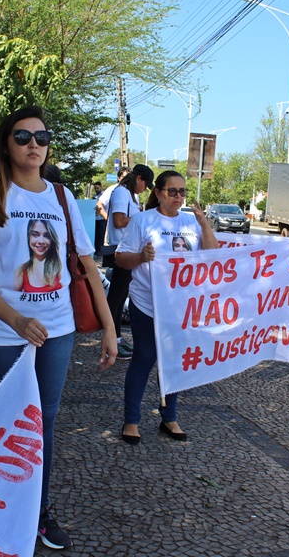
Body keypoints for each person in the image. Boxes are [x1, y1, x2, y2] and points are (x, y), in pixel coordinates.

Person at [0, 105, 116, 550]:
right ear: (7, 142)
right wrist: (17, 320)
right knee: (3, 425)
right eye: (23, 137)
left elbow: (86, 264)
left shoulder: (61, 198)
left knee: (41, 424)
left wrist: (107, 328)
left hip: (58, 331)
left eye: (41, 138)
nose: (33, 146)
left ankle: (37, 511)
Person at [117, 170, 218, 444]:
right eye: (172, 191)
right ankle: (132, 420)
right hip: (147, 303)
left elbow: (212, 256)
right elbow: (120, 259)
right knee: (144, 358)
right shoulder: (143, 220)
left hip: (180, 307)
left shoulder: (191, 222)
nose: (178, 196)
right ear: (159, 193)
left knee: (173, 362)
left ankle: (169, 416)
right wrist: (141, 256)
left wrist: (204, 224)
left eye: (182, 192)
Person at [106, 164, 154, 358]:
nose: (145, 188)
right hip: (120, 250)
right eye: (145, 184)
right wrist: (140, 218)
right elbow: (118, 221)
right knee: (115, 298)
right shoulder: (121, 193)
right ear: (138, 178)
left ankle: (116, 339)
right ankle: (112, 339)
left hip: (128, 249)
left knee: (120, 296)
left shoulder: (130, 195)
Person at [14, 219, 63, 292]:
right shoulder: (21, 271)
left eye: (46, 236)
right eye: (35, 235)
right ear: (29, 237)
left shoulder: (59, 266)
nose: (41, 241)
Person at [92, 181, 105, 255]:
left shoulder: (103, 195)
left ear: (100, 187)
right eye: (95, 188)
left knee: (101, 234)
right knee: (96, 235)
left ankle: (100, 250)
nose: (96, 189)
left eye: (97, 188)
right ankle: (96, 249)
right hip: (95, 218)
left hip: (102, 218)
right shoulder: (94, 196)